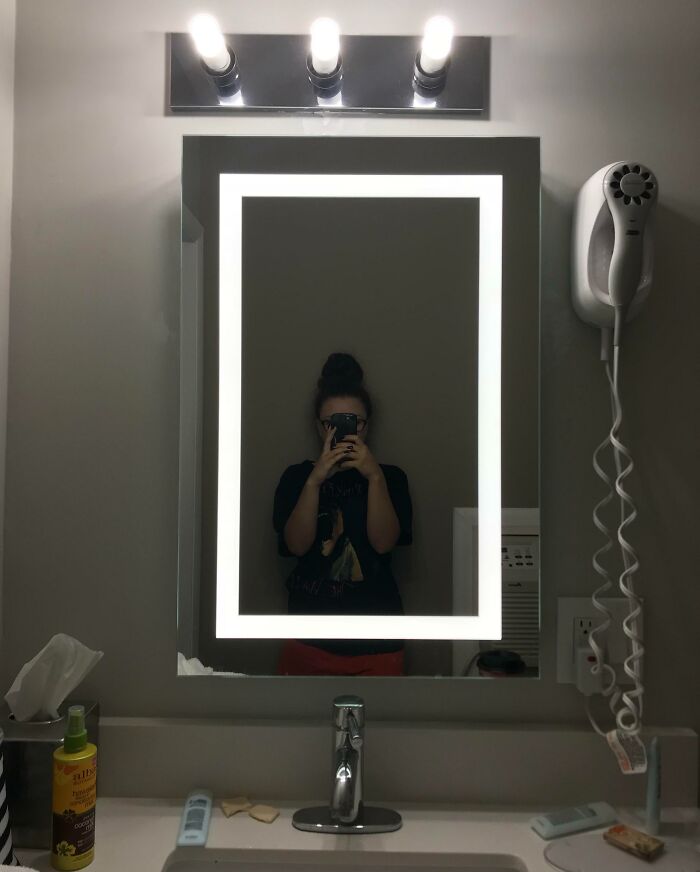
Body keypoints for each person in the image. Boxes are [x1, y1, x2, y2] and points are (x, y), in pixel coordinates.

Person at [273, 353, 412, 676]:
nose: (344, 431)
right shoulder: (297, 478)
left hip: (379, 640)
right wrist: (315, 480)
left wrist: (374, 476)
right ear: (319, 427)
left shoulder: (391, 478)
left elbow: (383, 543)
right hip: (307, 637)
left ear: (367, 425)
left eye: (353, 422)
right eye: (332, 423)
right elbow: (296, 545)